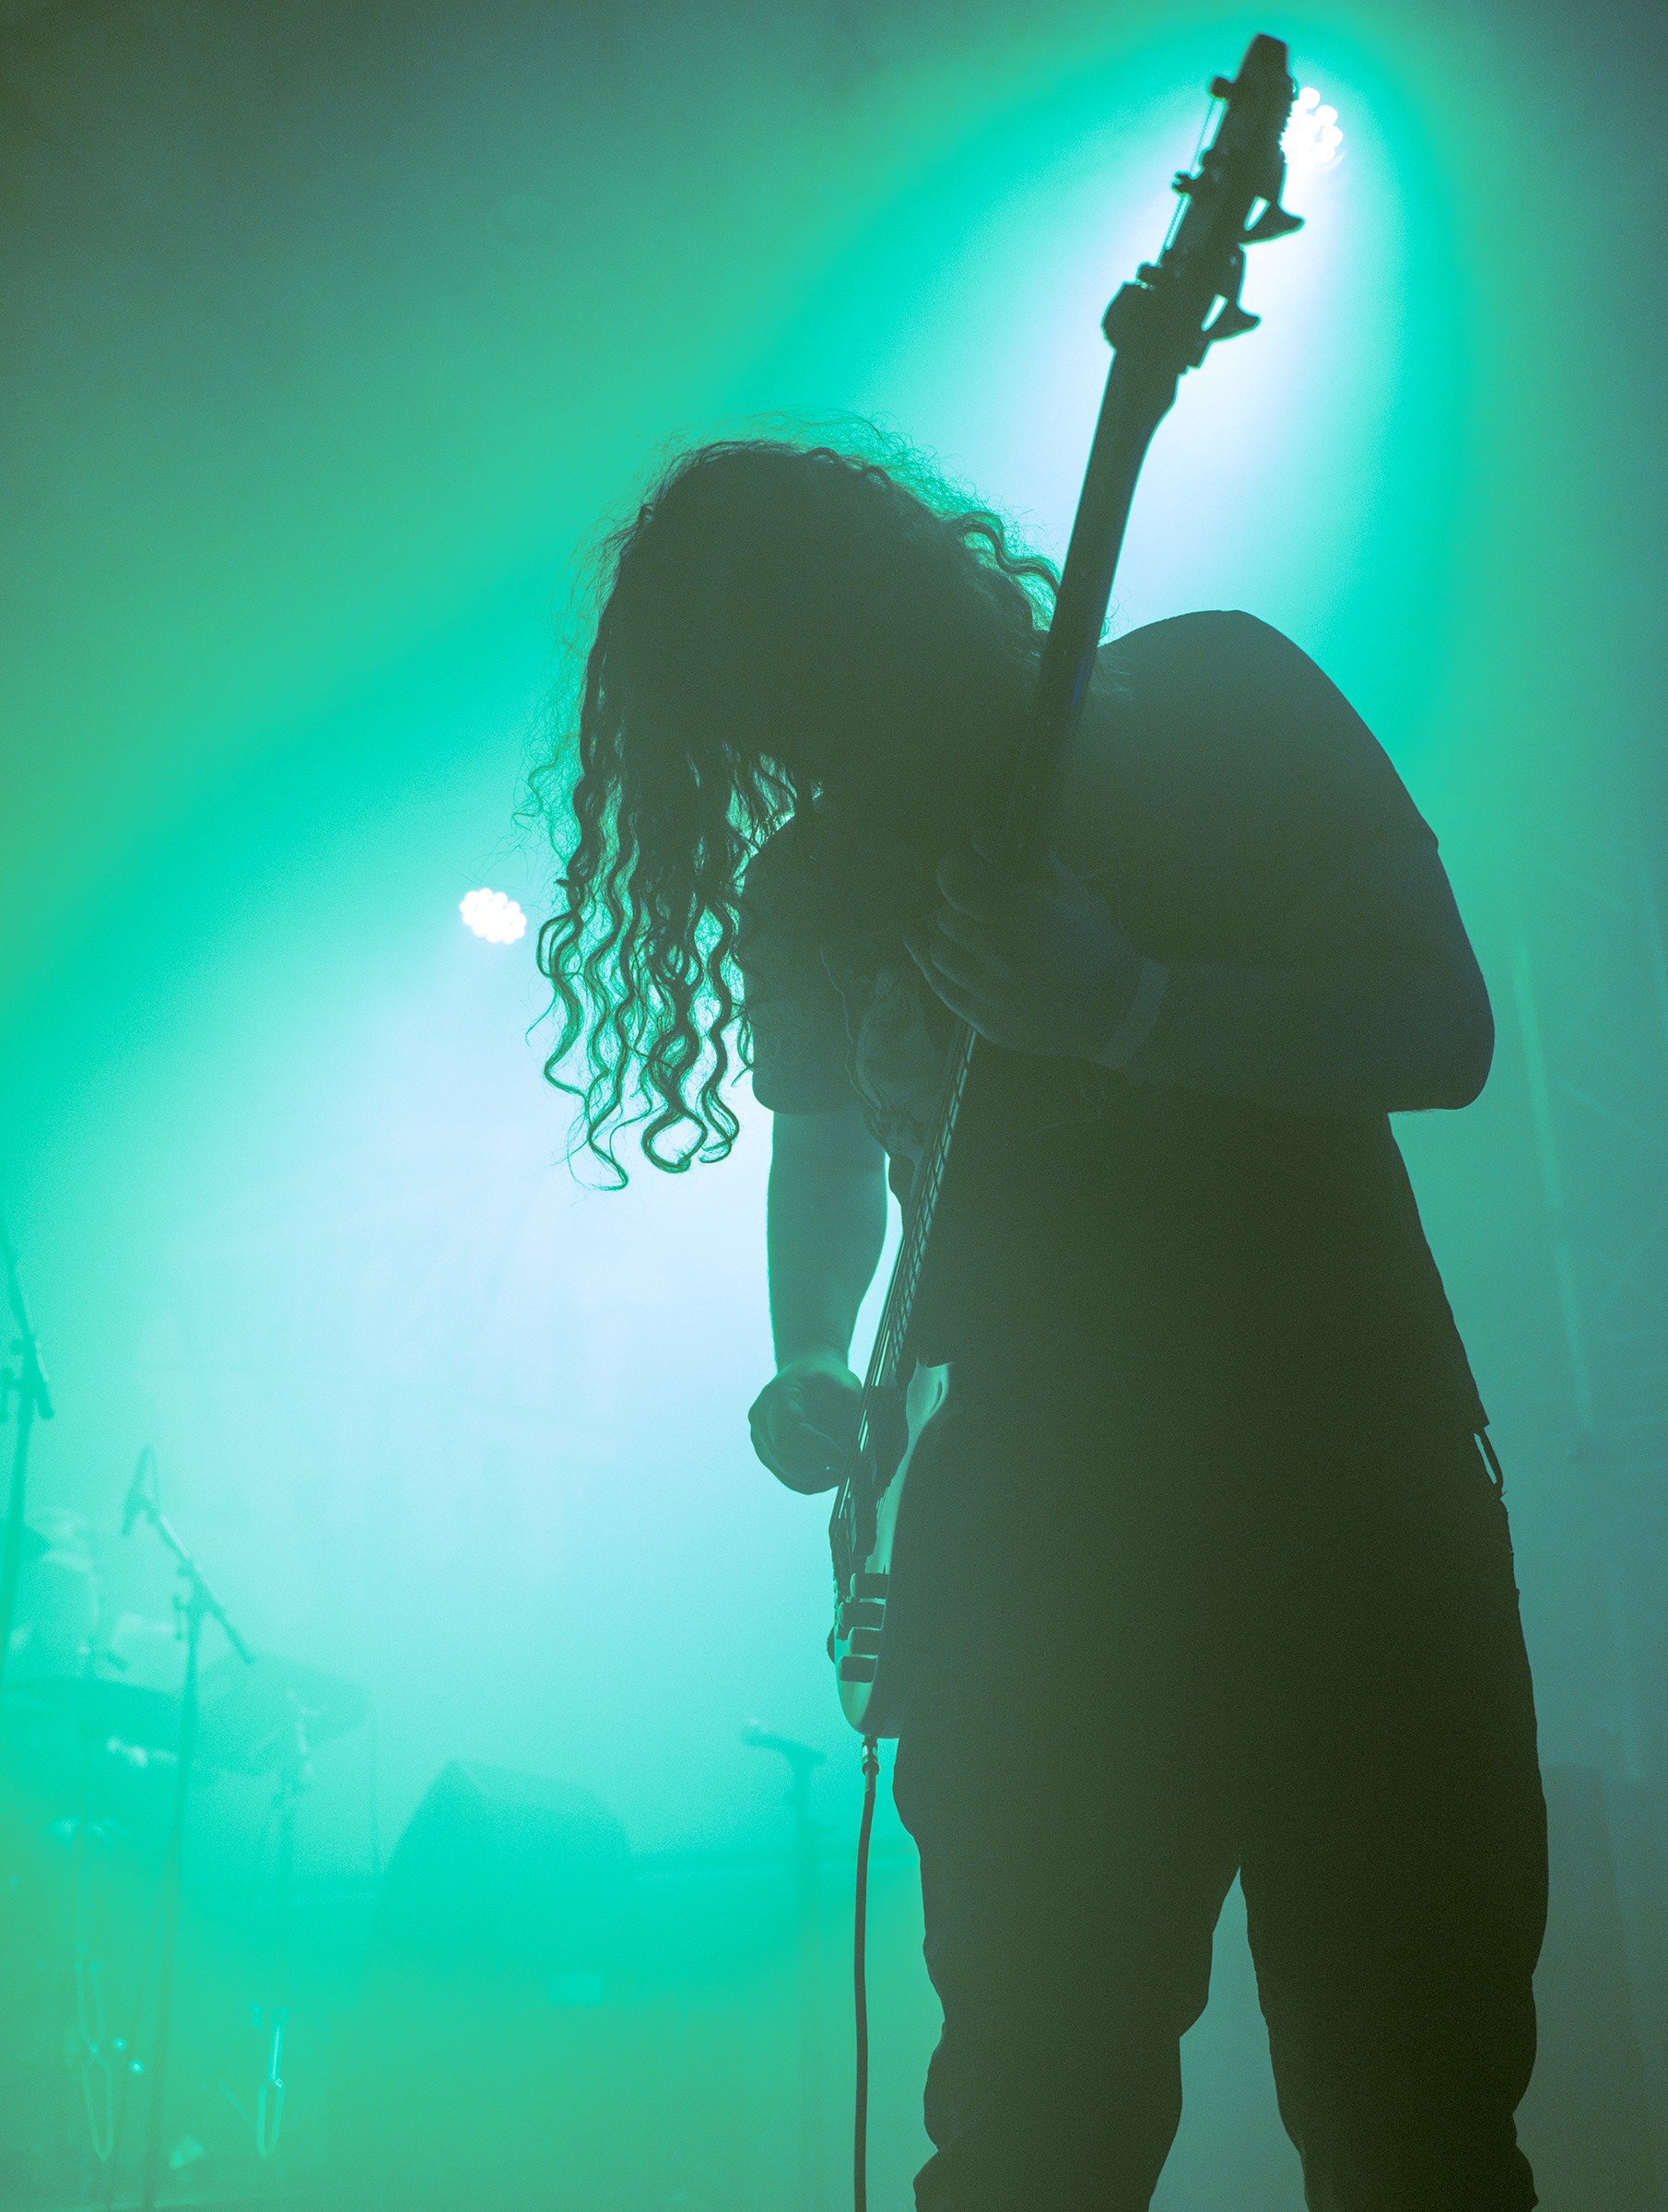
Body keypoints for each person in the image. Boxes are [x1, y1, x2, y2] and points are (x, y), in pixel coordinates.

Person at [534, 434, 1548, 2212]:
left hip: (1344, 1490)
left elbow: (1438, 1021)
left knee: (1413, 2121)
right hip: (1032, 1552)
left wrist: (1132, 1008)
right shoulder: (813, 883)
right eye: (755, 715)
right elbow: (822, 1150)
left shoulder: (1214, 696)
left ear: (880, 604)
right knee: (1032, 2134)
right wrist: (810, 1354)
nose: (799, 740)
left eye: (801, 674)